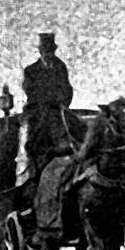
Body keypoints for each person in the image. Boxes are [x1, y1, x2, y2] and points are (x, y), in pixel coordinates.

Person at [22, 31, 76, 169]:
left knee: (69, 133)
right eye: (45, 50)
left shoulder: (60, 67)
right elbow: (30, 90)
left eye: (50, 51)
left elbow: (67, 89)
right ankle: (31, 165)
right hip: (37, 109)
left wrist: (61, 103)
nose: (48, 54)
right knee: (31, 137)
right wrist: (44, 101)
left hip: (56, 110)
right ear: (40, 51)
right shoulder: (31, 70)